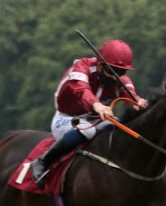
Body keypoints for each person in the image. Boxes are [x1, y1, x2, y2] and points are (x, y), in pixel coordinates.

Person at [30, 39, 148, 186]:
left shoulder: (119, 78)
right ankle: (42, 161)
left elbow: (128, 93)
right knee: (89, 131)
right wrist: (97, 106)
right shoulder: (81, 68)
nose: (115, 76)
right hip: (66, 118)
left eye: (121, 72)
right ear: (100, 64)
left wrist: (137, 101)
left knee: (119, 126)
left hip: (94, 119)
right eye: (111, 70)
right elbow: (81, 90)